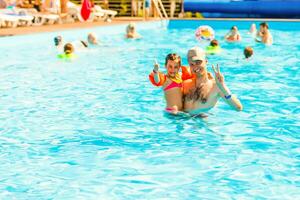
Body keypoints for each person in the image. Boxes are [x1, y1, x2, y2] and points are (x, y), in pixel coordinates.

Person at [183, 47, 243, 115]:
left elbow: (238, 108)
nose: (195, 67)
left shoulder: (216, 86)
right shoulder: (185, 84)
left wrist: (223, 87)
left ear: (206, 61)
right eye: (192, 64)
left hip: (203, 123)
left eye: (198, 62)